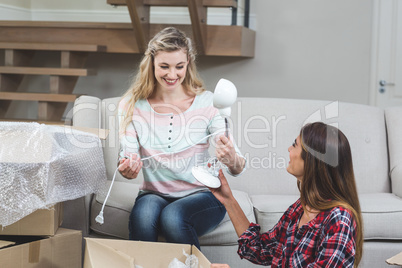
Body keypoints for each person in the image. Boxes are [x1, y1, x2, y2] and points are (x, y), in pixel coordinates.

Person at [117, 27, 246, 250]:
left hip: (203, 195)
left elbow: (237, 166)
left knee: (173, 217)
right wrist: (127, 166)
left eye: (179, 66)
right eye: (164, 66)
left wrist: (232, 158)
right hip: (153, 193)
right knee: (143, 217)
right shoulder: (131, 105)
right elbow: (127, 155)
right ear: (152, 64)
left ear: (188, 64)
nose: (172, 74)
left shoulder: (209, 102)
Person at [210, 122, 363, 268]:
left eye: (295, 145)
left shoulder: (339, 219)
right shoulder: (300, 208)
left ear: (313, 159)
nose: (289, 149)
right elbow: (259, 250)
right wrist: (228, 199)